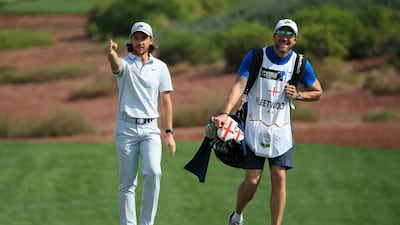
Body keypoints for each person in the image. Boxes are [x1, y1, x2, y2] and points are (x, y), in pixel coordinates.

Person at [214, 19, 323, 225]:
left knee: (279, 176)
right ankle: (237, 215)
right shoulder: (256, 56)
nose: (285, 38)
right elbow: (239, 85)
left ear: (295, 40)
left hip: (282, 130)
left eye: (289, 35)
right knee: (253, 180)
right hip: (254, 126)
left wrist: (298, 95)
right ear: (274, 36)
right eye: (281, 33)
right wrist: (225, 113)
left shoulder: (300, 63)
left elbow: (318, 92)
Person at [107, 21, 176, 225]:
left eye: (143, 38)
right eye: (136, 38)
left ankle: (147, 223)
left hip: (150, 129)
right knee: (127, 183)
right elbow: (115, 65)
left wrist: (169, 133)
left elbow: (165, 101)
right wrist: (111, 54)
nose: (139, 42)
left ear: (151, 40)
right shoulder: (125, 63)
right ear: (131, 40)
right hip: (126, 128)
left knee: (154, 172)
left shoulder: (160, 67)